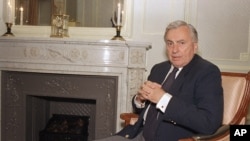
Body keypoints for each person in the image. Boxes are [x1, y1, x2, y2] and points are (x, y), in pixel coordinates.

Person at [94, 20, 223, 141]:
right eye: (170, 43)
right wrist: (139, 100)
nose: (175, 49)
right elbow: (145, 110)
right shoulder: (159, 69)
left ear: (195, 46)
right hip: (136, 134)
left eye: (181, 43)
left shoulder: (207, 72)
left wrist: (163, 99)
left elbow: (209, 123)